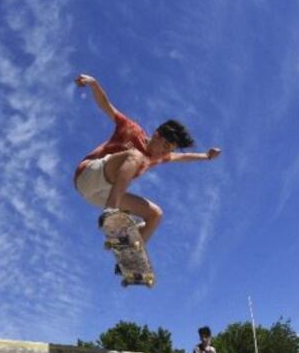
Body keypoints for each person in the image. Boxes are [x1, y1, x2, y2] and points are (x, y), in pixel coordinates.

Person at [73, 74, 221, 246]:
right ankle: (110, 212)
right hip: (87, 175)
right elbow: (107, 106)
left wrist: (206, 156)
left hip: (101, 194)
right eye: (164, 146)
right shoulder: (132, 130)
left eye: (169, 150)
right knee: (136, 156)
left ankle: (128, 251)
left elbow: (182, 157)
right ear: (156, 135)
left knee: (155, 214)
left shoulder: (160, 157)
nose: (163, 153)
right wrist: (94, 84)